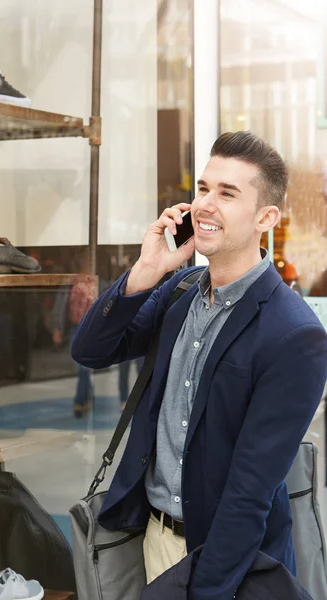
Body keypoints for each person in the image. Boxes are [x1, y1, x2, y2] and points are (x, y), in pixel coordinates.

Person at [71, 131, 327, 599]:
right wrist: (146, 273)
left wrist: (204, 591)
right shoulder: (181, 291)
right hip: (153, 539)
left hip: (230, 564)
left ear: (265, 217)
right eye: (204, 189)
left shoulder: (295, 335)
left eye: (227, 194)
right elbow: (90, 351)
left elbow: (249, 494)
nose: (205, 205)